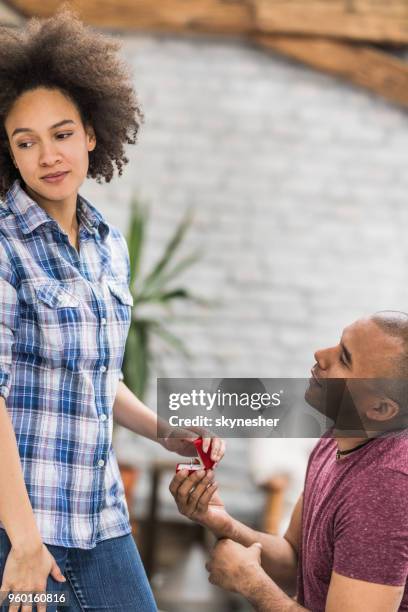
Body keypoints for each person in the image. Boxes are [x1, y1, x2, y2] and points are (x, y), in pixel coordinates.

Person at [0, 8, 225, 612]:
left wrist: (166, 432)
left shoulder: (108, 247)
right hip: (18, 529)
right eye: (27, 142)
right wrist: (22, 541)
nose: (48, 154)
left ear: (93, 134)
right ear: (10, 156)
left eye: (62, 133)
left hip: (100, 520)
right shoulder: (3, 247)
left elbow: (98, 378)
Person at [170, 312, 408, 611]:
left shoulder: (385, 488)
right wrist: (221, 522)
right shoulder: (338, 438)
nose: (320, 355)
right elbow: (295, 560)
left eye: (344, 359)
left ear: (380, 407)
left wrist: (251, 582)